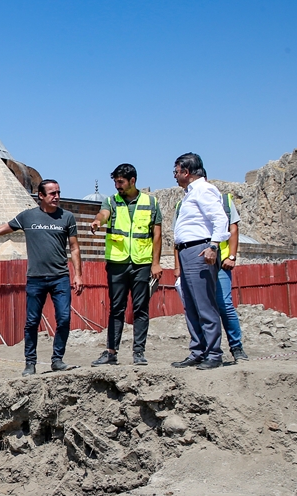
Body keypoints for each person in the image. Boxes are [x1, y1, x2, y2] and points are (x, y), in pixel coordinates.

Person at [0, 179, 83, 375]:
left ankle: (57, 360)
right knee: (32, 321)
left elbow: (74, 247)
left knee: (64, 318)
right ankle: (30, 363)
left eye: (58, 192)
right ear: (41, 196)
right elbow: (0, 229)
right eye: (52, 193)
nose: (56, 197)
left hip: (60, 278)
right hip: (36, 278)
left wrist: (78, 275)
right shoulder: (28, 217)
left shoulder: (67, 217)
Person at [89, 164, 162, 366]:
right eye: (115, 182)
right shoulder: (111, 201)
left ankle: (139, 352)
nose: (117, 186)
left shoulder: (151, 202)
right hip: (117, 263)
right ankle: (111, 352)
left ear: (132, 180)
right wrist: (97, 221)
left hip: (142, 263)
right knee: (116, 309)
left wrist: (156, 263)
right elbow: (103, 214)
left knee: (141, 308)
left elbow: (157, 234)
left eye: (120, 182)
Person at [174, 182, 249, 363]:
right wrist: (177, 267)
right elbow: (179, 237)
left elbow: (233, 228)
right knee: (196, 306)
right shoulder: (183, 202)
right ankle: (201, 351)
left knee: (223, 304)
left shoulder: (224, 200)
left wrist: (231, 256)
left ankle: (236, 347)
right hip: (196, 259)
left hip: (219, 260)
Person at [169, 153, 230, 370]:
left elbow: (221, 218)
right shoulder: (189, 194)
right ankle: (198, 351)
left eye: (176, 171)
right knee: (191, 305)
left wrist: (213, 246)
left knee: (205, 304)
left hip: (200, 250)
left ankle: (213, 353)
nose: (174, 176)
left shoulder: (204, 189)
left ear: (186, 172)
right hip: (187, 251)